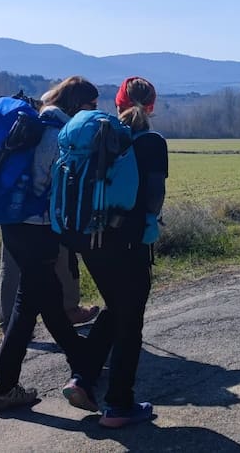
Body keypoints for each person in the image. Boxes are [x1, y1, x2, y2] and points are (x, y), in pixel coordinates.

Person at [0, 76, 99, 414]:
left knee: (45, 301)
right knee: (25, 310)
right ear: (78, 105)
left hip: (13, 225)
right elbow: (52, 188)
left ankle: (84, 366)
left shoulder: (33, 124)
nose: (93, 113)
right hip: (40, 229)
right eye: (91, 107)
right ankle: (0, 389)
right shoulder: (59, 135)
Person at [61, 75, 164, 428]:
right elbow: (152, 198)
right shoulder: (151, 141)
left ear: (116, 104)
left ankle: (82, 379)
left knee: (115, 308)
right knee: (130, 319)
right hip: (130, 243)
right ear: (151, 106)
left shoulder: (99, 135)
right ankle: (119, 406)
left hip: (89, 239)